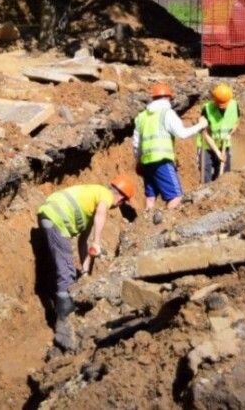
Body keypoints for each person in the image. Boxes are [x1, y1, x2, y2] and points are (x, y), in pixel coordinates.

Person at [37, 174, 136, 331]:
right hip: (57, 217)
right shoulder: (105, 195)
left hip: (51, 213)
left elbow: (82, 243)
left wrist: (84, 272)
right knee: (67, 270)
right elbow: (102, 212)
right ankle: (65, 324)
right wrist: (97, 241)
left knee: (67, 267)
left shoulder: (91, 203)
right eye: (122, 202)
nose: (118, 205)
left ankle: (64, 316)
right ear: (120, 199)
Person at [133, 82, 208, 212]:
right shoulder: (167, 113)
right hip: (162, 161)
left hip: (146, 163)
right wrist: (200, 125)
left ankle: (144, 227)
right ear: (168, 98)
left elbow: (136, 143)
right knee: (176, 197)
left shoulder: (142, 116)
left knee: (150, 198)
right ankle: (163, 228)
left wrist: (138, 161)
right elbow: (182, 134)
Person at [196, 83, 241, 183]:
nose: (221, 107)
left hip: (224, 145)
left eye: (224, 104)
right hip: (206, 146)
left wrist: (230, 134)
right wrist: (217, 152)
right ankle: (205, 194)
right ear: (214, 100)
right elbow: (205, 133)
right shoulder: (207, 109)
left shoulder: (234, 106)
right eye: (219, 104)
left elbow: (237, 122)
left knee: (224, 176)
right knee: (205, 173)